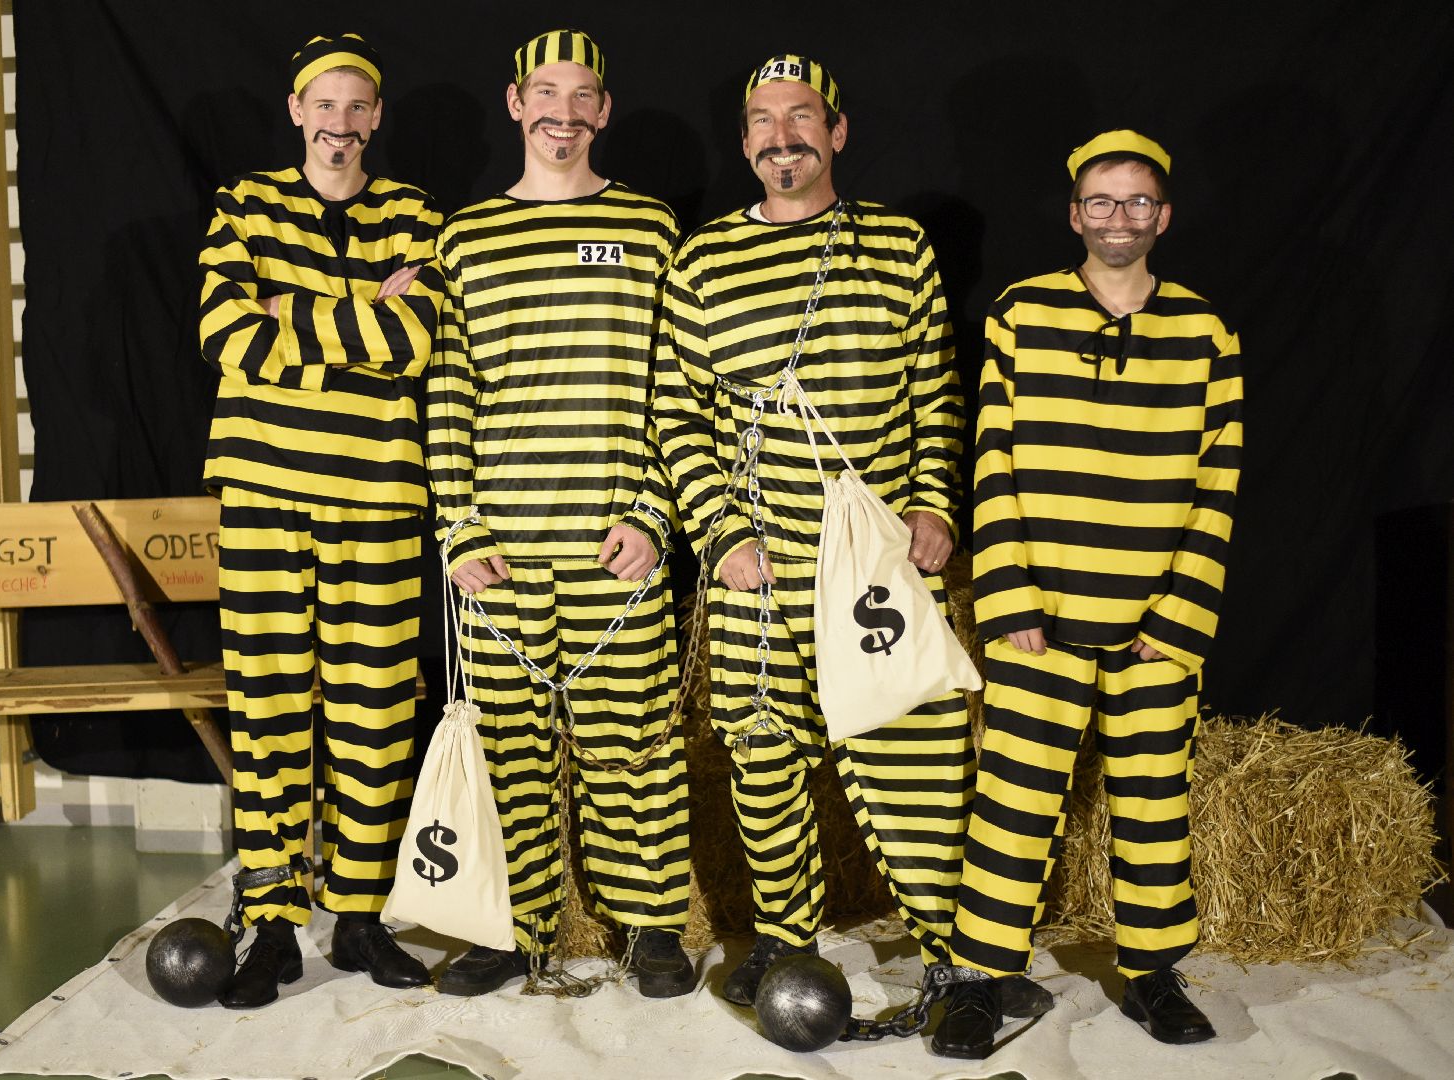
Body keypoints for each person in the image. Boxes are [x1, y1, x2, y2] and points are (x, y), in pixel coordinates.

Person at [652, 54, 984, 1006]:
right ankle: (783, 940)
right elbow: (677, 413)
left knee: (914, 757)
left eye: (801, 116)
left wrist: (933, 504)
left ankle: (952, 952)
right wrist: (721, 535)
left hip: (872, 559)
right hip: (759, 562)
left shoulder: (896, 245)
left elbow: (936, 390)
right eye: (763, 119)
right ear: (744, 141)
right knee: (763, 761)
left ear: (836, 132)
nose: (782, 135)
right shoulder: (701, 261)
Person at [931, 130, 1243, 1057]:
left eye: (1137, 201)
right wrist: (1010, 597)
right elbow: (990, 459)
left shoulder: (1206, 332)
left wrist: (1180, 615)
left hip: (1153, 621)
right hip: (1043, 616)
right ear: (1075, 215)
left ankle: (1153, 973)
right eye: (1101, 202)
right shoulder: (1020, 313)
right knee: (1013, 800)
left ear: (1163, 217)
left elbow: (1219, 482)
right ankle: (981, 978)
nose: (1119, 217)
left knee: (1153, 802)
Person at [425, 28, 694, 999]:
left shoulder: (651, 227)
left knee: (635, 743)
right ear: (515, 103)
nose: (564, 112)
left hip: (615, 544)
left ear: (604, 111)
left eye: (583, 96)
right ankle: (512, 931)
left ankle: (651, 926)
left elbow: (676, 384)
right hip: (501, 548)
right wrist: (458, 528)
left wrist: (654, 514)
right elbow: (448, 393)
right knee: (505, 751)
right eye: (546, 92)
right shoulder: (464, 238)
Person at [197, 32, 440, 1009]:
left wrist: (288, 314)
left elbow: (417, 337)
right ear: (297, 110)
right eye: (323, 104)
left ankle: (359, 916)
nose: (340, 123)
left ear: (376, 116)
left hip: (379, 490)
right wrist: (360, 315)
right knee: (267, 709)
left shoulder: (414, 212)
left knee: (374, 713)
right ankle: (270, 921)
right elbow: (224, 333)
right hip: (261, 488)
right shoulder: (244, 204)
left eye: (356, 106)